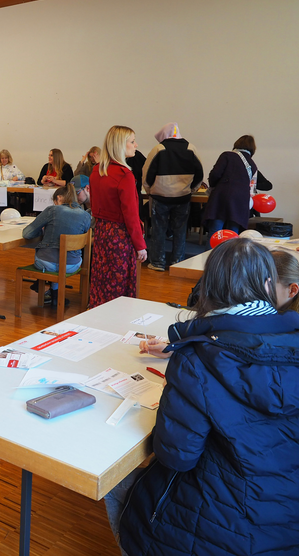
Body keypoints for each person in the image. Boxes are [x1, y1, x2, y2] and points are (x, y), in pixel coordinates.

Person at [106, 238, 299, 556]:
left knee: (121, 487)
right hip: (287, 520)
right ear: (269, 283)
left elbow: (176, 456)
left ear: (209, 284)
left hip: (220, 529)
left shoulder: (197, 360)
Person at [89, 126, 146, 307]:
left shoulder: (96, 171)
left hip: (101, 232)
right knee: (119, 285)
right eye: (132, 141)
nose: (136, 145)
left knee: (101, 281)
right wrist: (140, 246)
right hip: (119, 236)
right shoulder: (124, 175)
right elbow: (131, 215)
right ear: (121, 145)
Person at [142, 123, 203, 272]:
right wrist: (191, 189)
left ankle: (157, 262)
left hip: (160, 197)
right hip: (182, 197)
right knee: (180, 231)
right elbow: (200, 173)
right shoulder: (191, 148)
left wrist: (149, 190)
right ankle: (177, 262)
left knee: (159, 230)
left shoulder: (159, 149)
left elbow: (147, 172)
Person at [21, 184, 91, 306]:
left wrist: (43, 231)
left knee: (49, 257)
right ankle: (55, 294)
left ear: (58, 198)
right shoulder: (86, 215)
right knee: (60, 257)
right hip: (73, 264)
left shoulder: (52, 210)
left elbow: (27, 233)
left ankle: (49, 290)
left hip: (46, 263)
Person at [202, 135, 261, 235]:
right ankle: (231, 251)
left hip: (222, 197)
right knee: (233, 232)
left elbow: (215, 174)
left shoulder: (227, 156)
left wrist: (213, 187)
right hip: (241, 201)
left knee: (216, 232)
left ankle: (213, 251)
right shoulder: (252, 164)